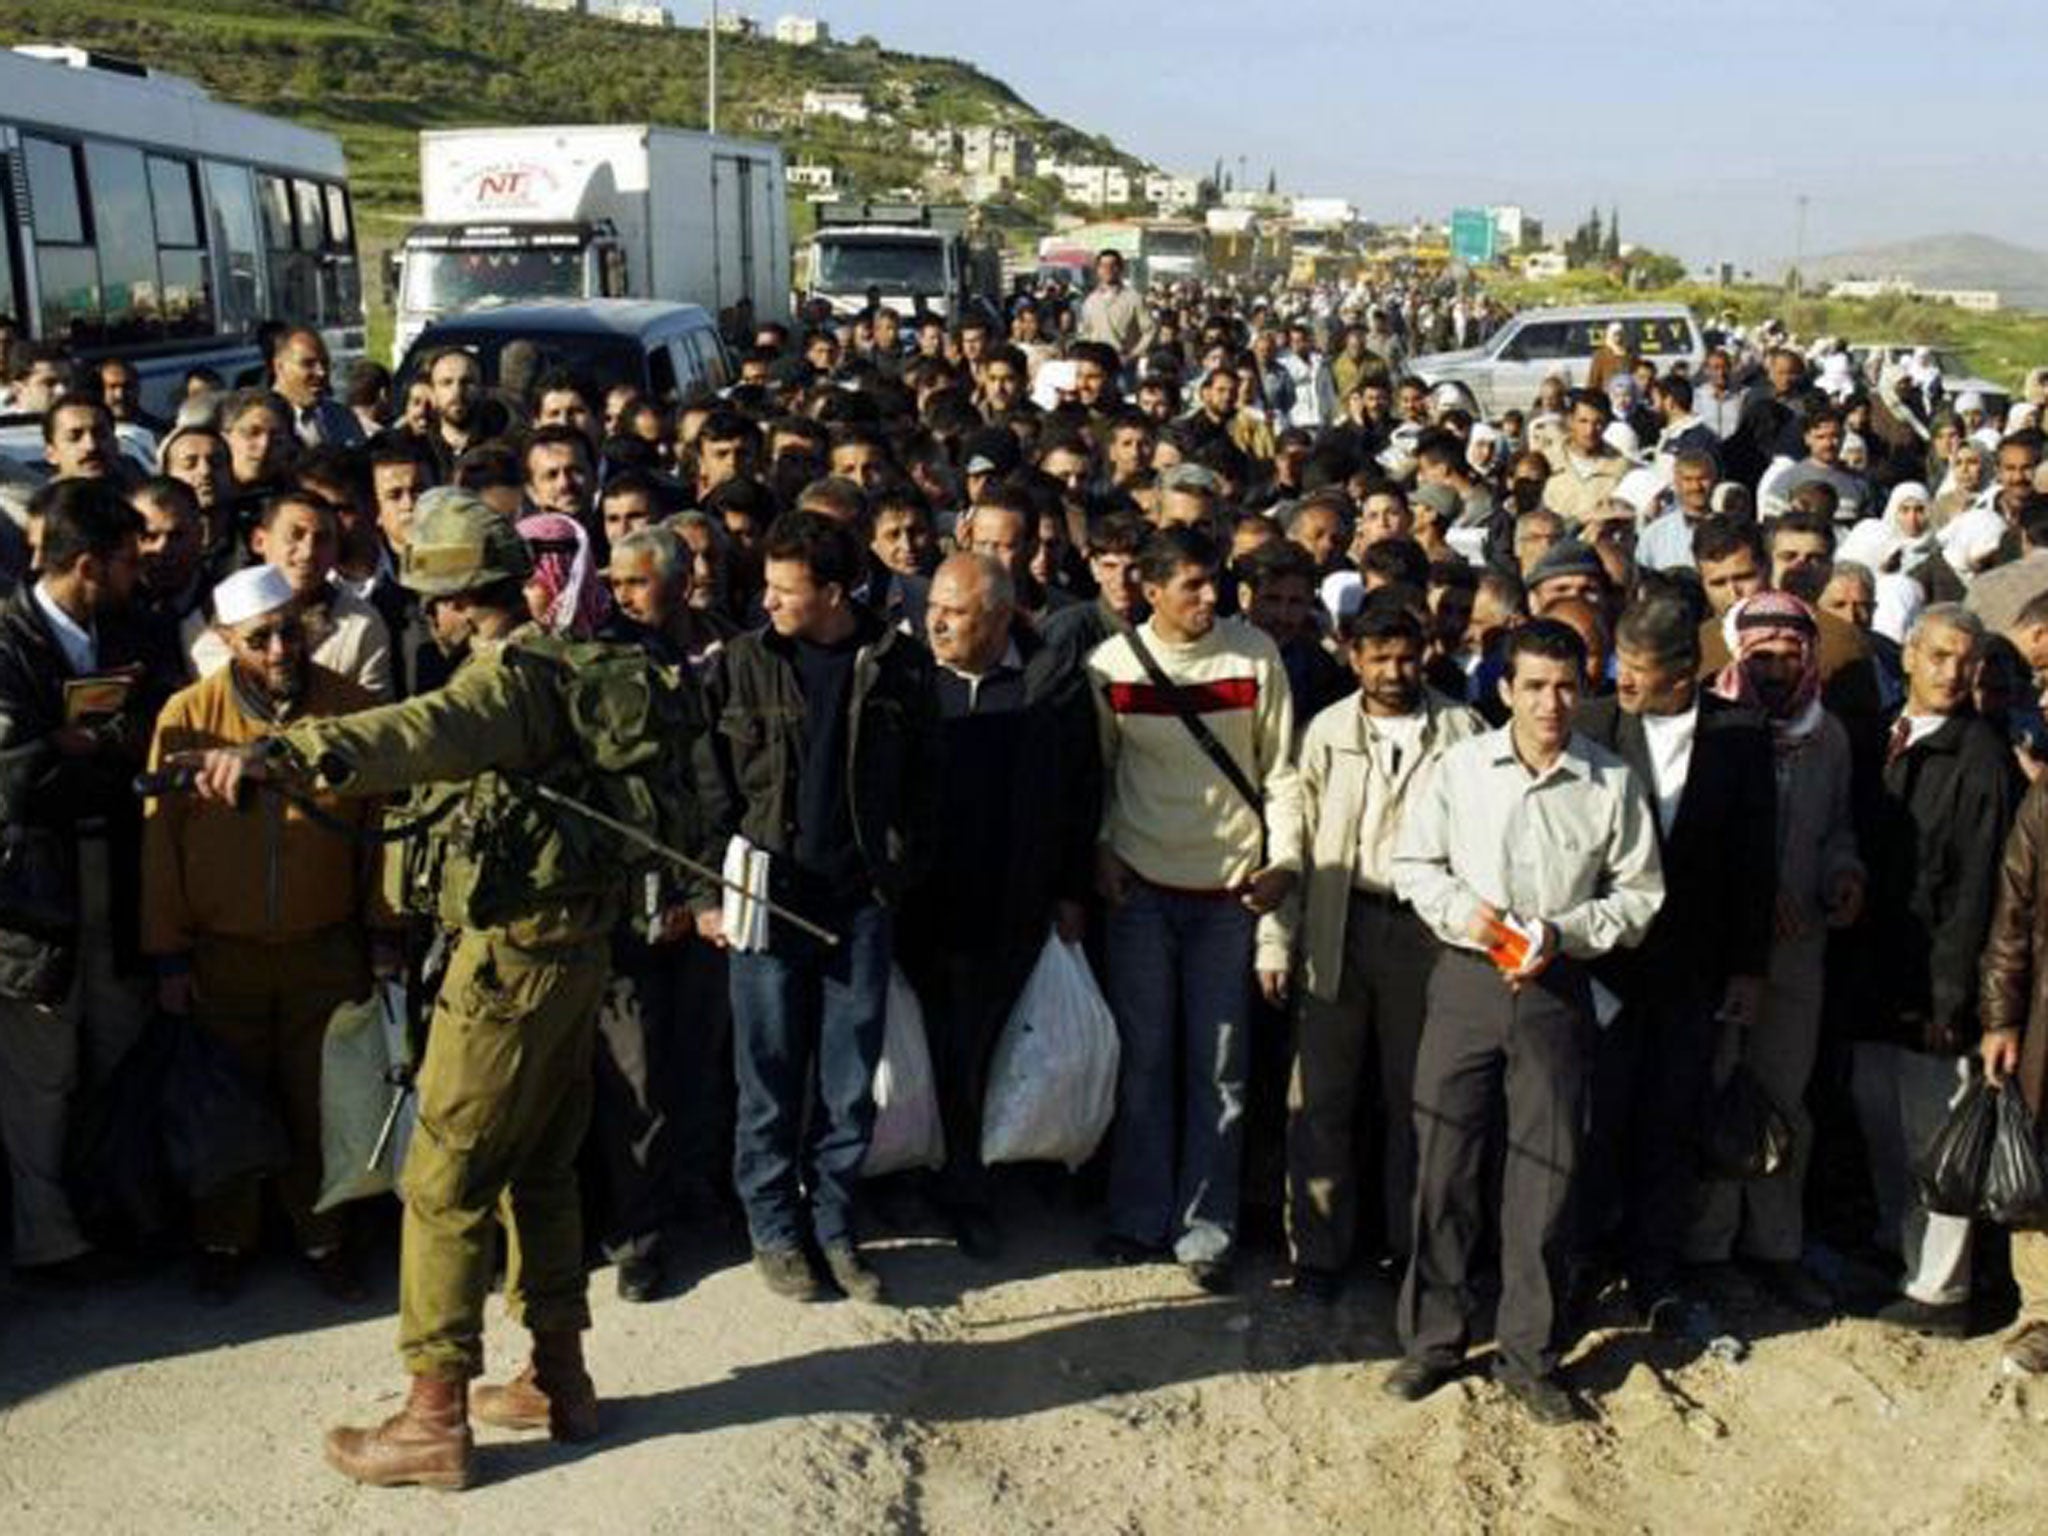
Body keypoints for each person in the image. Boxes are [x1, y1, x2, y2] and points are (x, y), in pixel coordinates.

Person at [182, 487, 703, 1488]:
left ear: (462, 598)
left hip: (509, 962)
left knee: (443, 1180)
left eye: (435, 599)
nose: (429, 616)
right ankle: (558, 1377)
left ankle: (432, 1416)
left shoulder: (503, 685)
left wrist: (273, 754)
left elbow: (411, 733)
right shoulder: (559, 665)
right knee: (540, 1167)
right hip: (569, 952)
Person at [1385, 619, 1663, 1422]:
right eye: (1535, 685)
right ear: (1505, 689)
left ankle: (1529, 1355)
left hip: (1556, 990)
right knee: (1444, 1164)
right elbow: (1415, 864)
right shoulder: (1461, 769)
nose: (1552, 701)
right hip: (1467, 983)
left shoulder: (1610, 781)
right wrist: (1465, 916)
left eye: (1568, 685)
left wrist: (1566, 933)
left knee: (1546, 1176)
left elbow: (1641, 896)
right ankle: (1433, 1341)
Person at [699, 511, 940, 1305]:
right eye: (764, 586)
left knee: (846, 1083)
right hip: (767, 905)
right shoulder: (740, 664)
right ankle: (774, 1228)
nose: (767, 601)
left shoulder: (897, 667)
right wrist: (711, 891)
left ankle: (835, 1225)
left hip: (858, 907)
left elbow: (923, 787)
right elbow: (707, 789)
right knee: (766, 1079)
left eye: (784, 589)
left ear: (835, 592)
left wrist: (895, 875)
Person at [142, 564, 387, 1304]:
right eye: (261, 639)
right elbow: (161, 848)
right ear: (226, 641)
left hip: (325, 946)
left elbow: (382, 831)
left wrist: (384, 931)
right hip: (224, 954)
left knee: (322, 1104)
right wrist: (168, 956)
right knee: (229, 1107)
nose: (281, 650)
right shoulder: (188, 717)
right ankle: (225, 1241)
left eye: (291, 631)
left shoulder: (350, 709)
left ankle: (326, 1241)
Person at [1088, 525, 1303, 1290]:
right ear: (1150, 590)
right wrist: (1104, 848)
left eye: (1214, 582)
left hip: (1229, 897)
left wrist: (1284, 866)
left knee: (1222, 1066)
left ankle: (1207, 1228)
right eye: (1192, 585)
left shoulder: (1256, 656)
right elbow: (1102, 776)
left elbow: (1281, 771)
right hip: (1143, 893)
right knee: (1145, 1062)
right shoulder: (1109, 666)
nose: (1211, 597)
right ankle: (1139, 1215)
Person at [1575, 600, 1776, 1327]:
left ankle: (1654, 1270)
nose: (1621, 680)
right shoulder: (1593, 725)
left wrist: (1748, 971)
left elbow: (1756, 865)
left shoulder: (1741, 740)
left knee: (1670, 1123)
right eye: (1618, 663)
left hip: (1692, 972)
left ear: (1686, 673)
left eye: (1639, 668)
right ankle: (1581, 1260)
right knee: (1596, 1119)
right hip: (1603, 966)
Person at [898, 552, 1099, 1256]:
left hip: (1011, 903)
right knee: (927, 1049)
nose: (937, 623)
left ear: (998, 617)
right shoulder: (909, 680)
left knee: (986, 1049)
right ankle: (914, 1175)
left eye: (954, 613)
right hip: (922, 904)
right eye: (933, 609)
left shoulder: (1049, 684)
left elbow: (1080, 793)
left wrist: (1071, 890)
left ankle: (973, 1188)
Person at [1279, 599, 1481, 1296]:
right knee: (1323, 1096)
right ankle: (1318, 1248)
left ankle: (1410, 1246)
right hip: (1338, 925)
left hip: (1427, 933)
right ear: (1351, 656)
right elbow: (1296, 845)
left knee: (1415, 1098)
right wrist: (1279, 939)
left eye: (1406, 656)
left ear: (1426, 651)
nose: (1394, 671)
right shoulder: (1326, 732)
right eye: (1379, 657)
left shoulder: (1463, 730)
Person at [1683, 591, 1862, 1314]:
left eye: (1792, 655)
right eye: (1763, 656)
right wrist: (1752, 903)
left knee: (1785, 1101)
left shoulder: (1832, 739)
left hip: (1798, 953)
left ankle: (1776, 1247)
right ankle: (1705, 1249)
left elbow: (1839, 830)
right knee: (1718, 1089)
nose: (1778, 669)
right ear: (1738, 654)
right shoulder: (1711, 728)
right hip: (1722, 950)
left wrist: (1843, 877)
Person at [0, 480, 154, 1285]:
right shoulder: (6, 642)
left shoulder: (130, 628)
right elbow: (13, 778)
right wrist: (67, 752)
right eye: (128, 562)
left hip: (118, 873)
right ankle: (49, 1239)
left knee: (118, 1047)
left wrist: (84, 746)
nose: (142, 574)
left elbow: (154, 733)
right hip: (36, 893)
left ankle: (114, 1214)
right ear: (87, 566)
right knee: (40, 1072)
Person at [1853, 606, 2020, 1336]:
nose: (1953, 673)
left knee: (1935, 1140)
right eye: (1941, 657)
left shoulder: (1978, 758)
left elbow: (1977, 889)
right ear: (1911, 655)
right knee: (1880, 1118)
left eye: (1967, 660)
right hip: (1875, 967)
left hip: (1935, 986)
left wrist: (1958, 1000)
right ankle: (1901, 1246)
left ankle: (1939, 1288)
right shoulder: (1884, 733)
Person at [186, 490, 394, 699]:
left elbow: (374, 715)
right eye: (295, 536)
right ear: (259, 541)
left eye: (322, 539)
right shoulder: (205, 623)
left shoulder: (362, 625)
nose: (308, 551)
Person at [271, 328, 363, 449]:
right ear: (280, 367)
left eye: (325, 363)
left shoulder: (342, 418)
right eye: (308, 364)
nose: (321, 372)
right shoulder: (258, 420)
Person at [1078, 250, 1154, 365]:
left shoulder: (1134, 298)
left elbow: (1150, 331)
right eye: (1103, 266)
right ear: (1098, 270)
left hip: (1123, 364)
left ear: (1120, 269)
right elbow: (1085, 332)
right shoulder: (1090, 300)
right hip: (1096, 363)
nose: (1107, 269)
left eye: (1112, 265)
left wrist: (1132, 355)